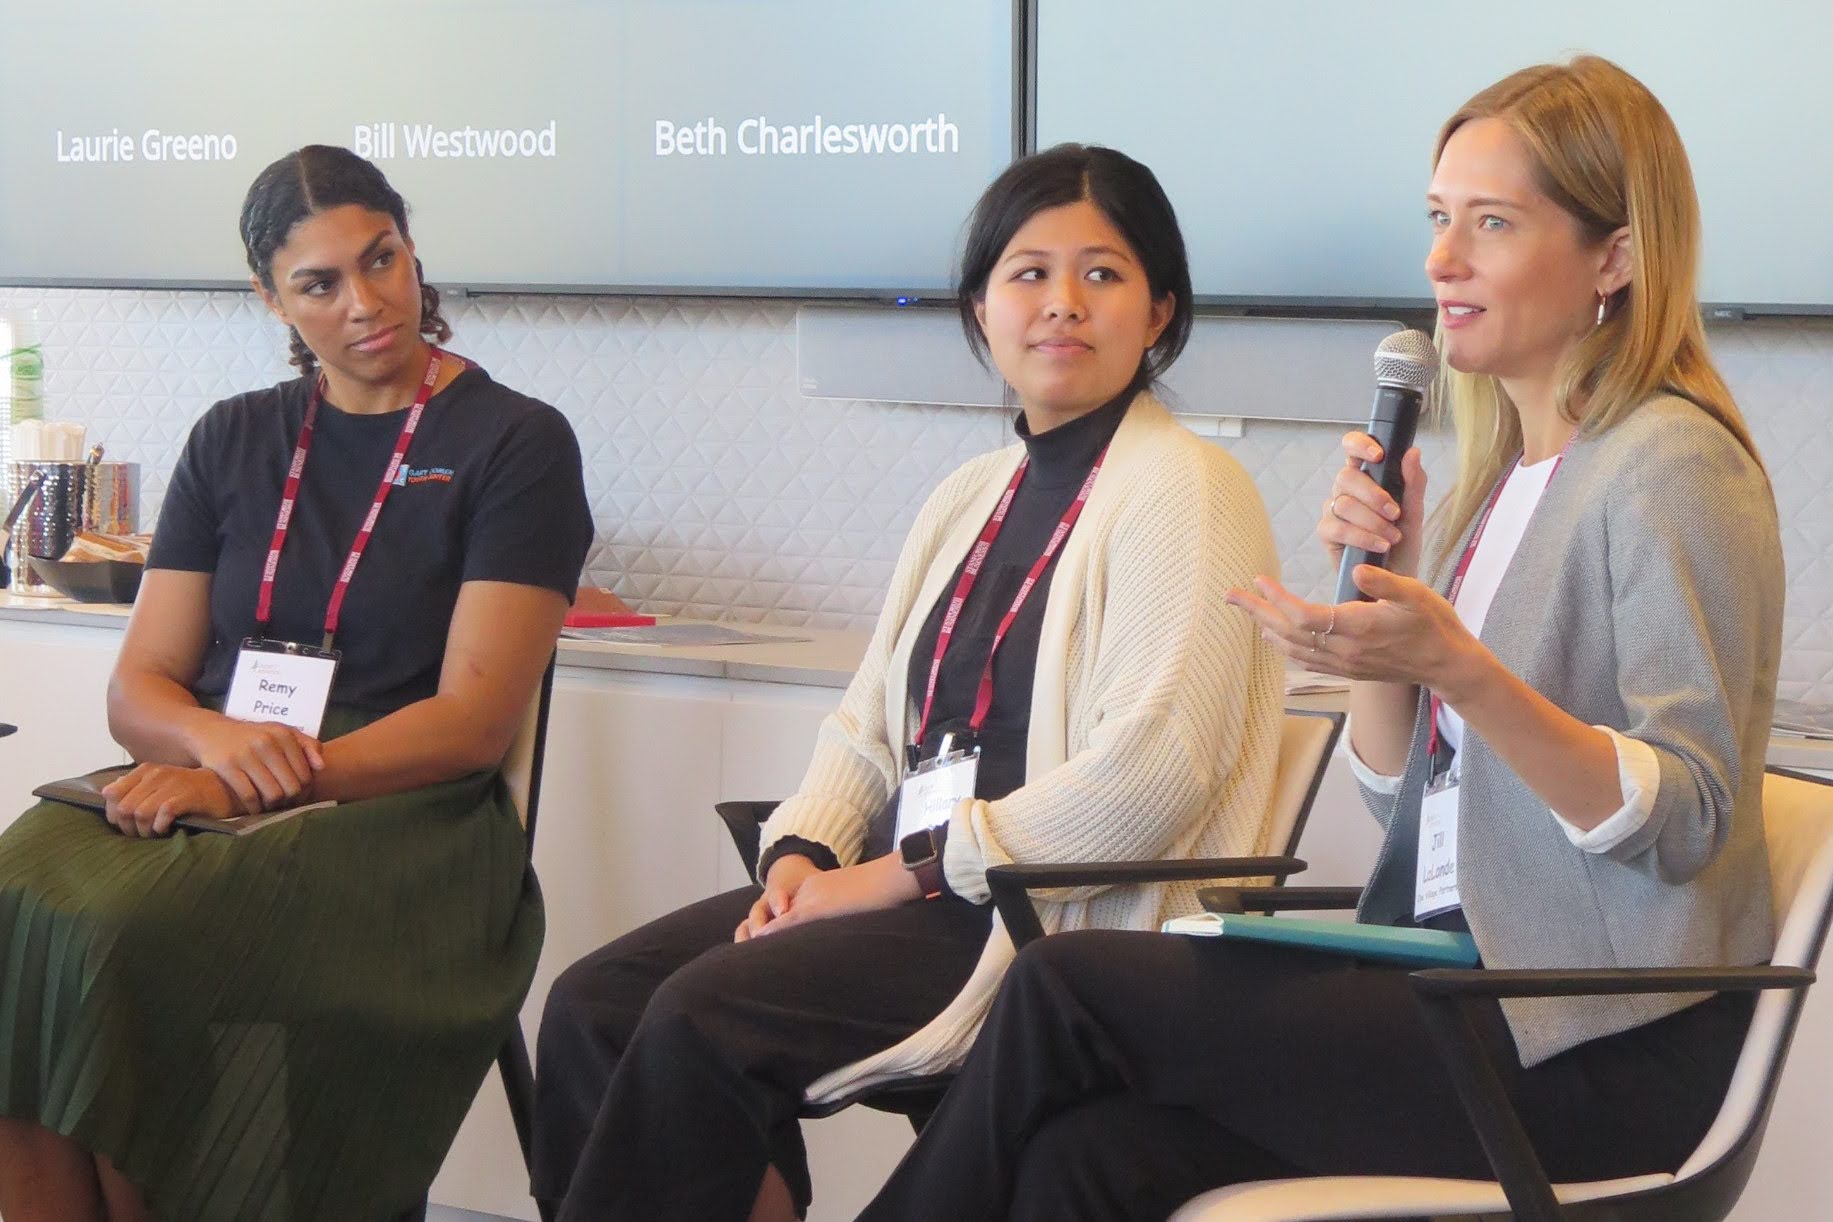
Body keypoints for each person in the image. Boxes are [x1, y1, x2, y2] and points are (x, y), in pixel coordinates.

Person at [857, 55, 1782, 1222]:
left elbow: (1689, 815)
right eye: (1439, 220)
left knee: (1064, 989)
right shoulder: (1512, 475)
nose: (1442, 261)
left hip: (1591, 1043)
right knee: (1085, 1159)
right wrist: (1391, 619)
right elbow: (1416, 809)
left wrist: (1464, 670)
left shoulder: (1671, 464)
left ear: (1618, 255)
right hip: (1461, 978)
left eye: (1489, 224)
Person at [530, 143, 1283, 1221]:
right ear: (981, 310)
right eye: (1028, 274)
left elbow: (1155, 773)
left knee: (702, 1016)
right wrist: (802, 853)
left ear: (1160, 310)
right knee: (594, 1003)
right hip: (915, 892)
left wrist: (889, 877)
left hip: (1042, 926)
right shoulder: (972, 491)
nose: (1062, 304)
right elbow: (872, 731)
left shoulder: (1189, 488)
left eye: (1102, 275)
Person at [0, 145, 593, 1222]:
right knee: (15, 892)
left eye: (383, 260)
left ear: (415, 254)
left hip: (409, 813)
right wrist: (216, 749)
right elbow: (140, 688)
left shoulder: (518, 443)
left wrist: (252, 779)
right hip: (213, 768)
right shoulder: (232, 436)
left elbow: (471, 723)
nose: (367, 303)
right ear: (271, 297)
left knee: (143, 933)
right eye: (320, 283)